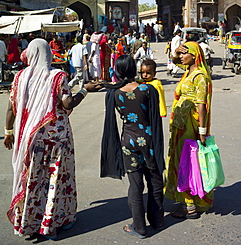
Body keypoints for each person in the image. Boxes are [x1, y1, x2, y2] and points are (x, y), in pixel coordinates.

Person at [3, 38, 102, 240]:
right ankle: (52, 222)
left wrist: (8, 132)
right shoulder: (57, 76)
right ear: (48, 53)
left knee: (34, 180)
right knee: (55, 180)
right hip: (57, 139)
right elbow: (67, 103)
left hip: (31, 139)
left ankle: (29, 222)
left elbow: (11, 107)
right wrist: (85, 90)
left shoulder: (20, 77)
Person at [101, 55, 165, 239]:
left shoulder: (114, 94)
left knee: (135, 186)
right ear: (134, 69)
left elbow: (111, 124)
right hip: (148, 140)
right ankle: (158, 220)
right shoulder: (148, 89)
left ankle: (139, 226)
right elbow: (155, 120)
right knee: (154, 181)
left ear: (118, 71)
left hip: (128, 142)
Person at [164, 41, 213, 218]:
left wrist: (202, 130)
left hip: (190, 126)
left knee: (187, 164)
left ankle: (190, 205)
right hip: (180, 124)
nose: (181, 57)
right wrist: (176, 51)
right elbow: (174, 61)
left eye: (185, 53)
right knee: (178, 161)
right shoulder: (188, 72)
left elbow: (201, 105)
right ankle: (186, 200)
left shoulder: (200, 76)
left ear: (194, 56)